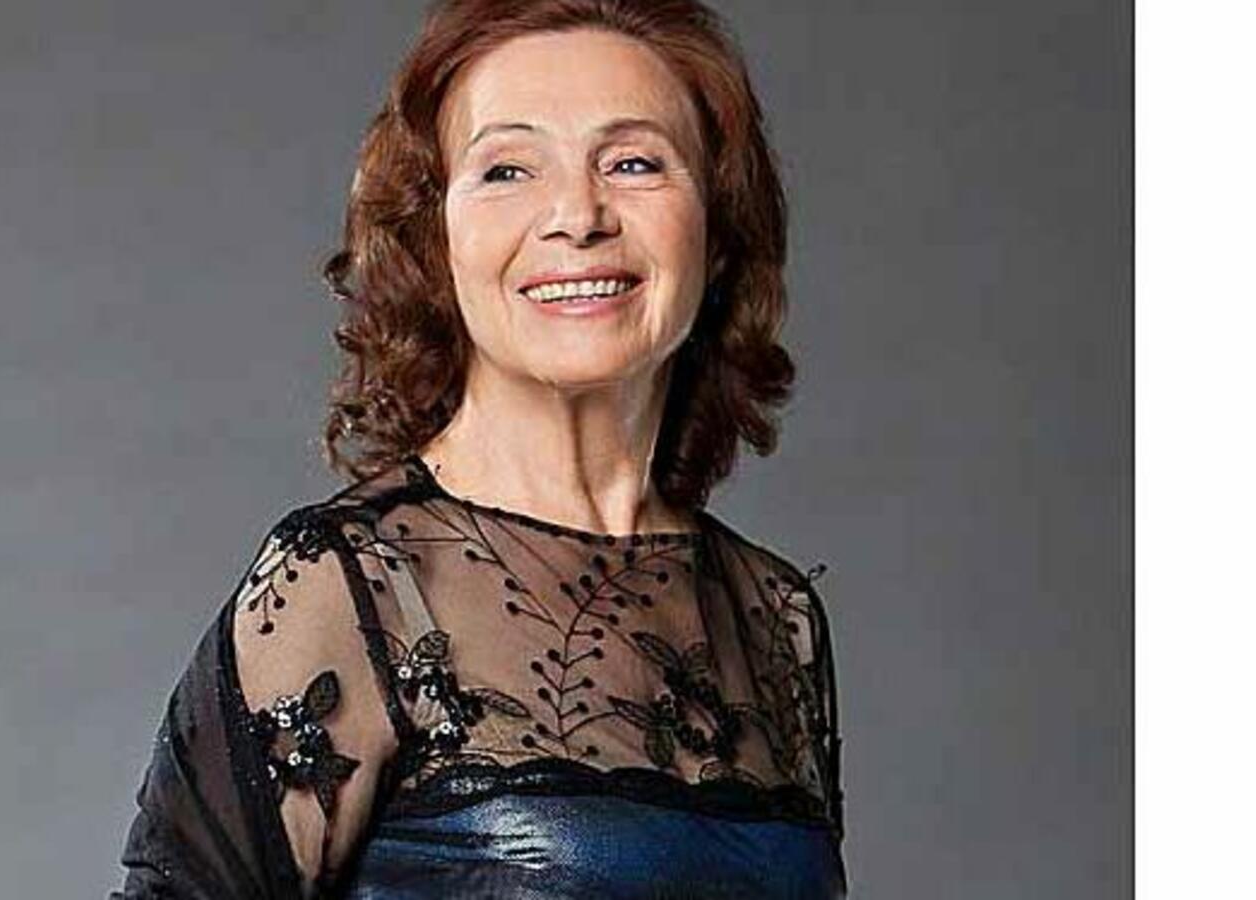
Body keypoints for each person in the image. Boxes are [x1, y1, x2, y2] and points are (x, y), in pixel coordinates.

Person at [111, 0, 847, 896]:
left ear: (718, 230)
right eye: (507, 169)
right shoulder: (355, 585)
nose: (577, 215)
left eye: (634, 162)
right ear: (436, 242)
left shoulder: (774, 616)